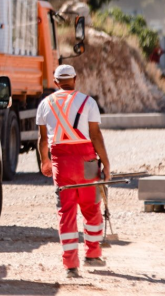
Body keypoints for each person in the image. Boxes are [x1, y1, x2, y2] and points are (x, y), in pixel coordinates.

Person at [36, 64, 112, 279]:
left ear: (55, 81)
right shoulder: (89, 102)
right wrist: (105, 164)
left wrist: (45, 161)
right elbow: (96, 136)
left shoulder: (44, 104)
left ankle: (70, 265)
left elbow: (43, 139)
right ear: (75, 79)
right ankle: (93, 255)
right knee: (91, 207)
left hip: (62, 163)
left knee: (66, 212)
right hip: (87, 161)